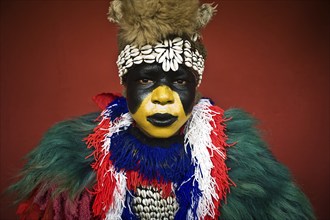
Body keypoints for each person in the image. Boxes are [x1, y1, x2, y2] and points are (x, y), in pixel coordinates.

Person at [10, 0, 314, 219]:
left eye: (180, 81)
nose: (164, 97)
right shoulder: (72, 159)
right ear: (125, 85)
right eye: (146, 79)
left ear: (195, 88)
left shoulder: (241, 159)